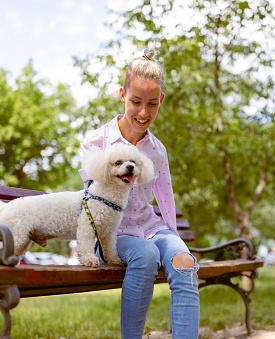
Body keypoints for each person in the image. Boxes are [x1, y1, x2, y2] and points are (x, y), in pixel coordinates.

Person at [78, 48, 200, 339]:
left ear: (161, 102)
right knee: (145, 255)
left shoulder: (157, 150)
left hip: (149, 227)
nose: (143, 113)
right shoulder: (97, 141)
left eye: (152, 104)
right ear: (122, 95)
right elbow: (91, 199)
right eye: (135, 101)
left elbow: (166, 200)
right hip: (112, 233)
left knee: (184, 261)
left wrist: (174, 243)